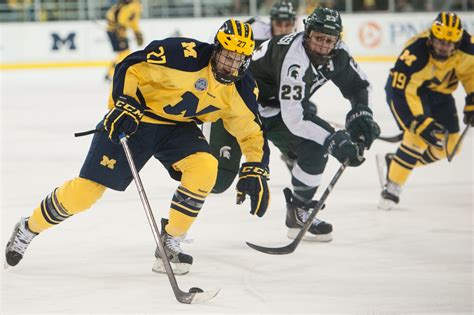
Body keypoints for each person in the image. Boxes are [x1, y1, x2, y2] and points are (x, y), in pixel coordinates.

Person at [5, 19, 270, 276]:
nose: (230, 64)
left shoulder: (242, 89)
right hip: (137, 118)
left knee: (205, 166)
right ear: (216, 48)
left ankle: (170, 241)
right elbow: (131, 66)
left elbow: (251, 131)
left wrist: (256, 166)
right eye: (226, 55)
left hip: (178, 129)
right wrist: (125, 103)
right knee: (85, 193)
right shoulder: (183, 55)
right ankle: (28, 228)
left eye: (238, 59)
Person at [213, 7, 380, 242]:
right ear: (307, 33)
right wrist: (333, 138)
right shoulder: (293, 57)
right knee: (217, 181)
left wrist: (361, 113)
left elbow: (358, 85)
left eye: (329, 40)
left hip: (276, 109)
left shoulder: (339, 53)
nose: (323, 45)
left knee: (314, 147)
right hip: (238, 107)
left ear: (338, 39)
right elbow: (295, 118)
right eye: (318, 38)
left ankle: (299, 212)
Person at [378, 12, 473, 210]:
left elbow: (471, 73)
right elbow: (400, 92)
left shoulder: (468, 48)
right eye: (439, 41)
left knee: (450, 148)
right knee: (417, 138)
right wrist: (418, 122)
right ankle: (393, 186)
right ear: (431, 36)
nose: (443, 47)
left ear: (457, 41)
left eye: (449, 43)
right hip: (408, 94)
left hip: (441, 95)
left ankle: (397, 161)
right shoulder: (415, 54)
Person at [206, 1, 298, 194]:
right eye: (279, 23)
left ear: (294, 24)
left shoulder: (299, 46)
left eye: (287, 24)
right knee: (218, 181)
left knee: (303, 145)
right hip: (239, 105)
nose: (283, 28)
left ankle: (292, 156)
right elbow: (221, 51)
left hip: (269, 108)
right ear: (271, 22)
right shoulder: (253, 30)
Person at [104, 0, 143, 81]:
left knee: (124, 53)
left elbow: (113, 16)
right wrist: (136, 32)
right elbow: (130, 20)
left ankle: (110, 74)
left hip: (116, 31)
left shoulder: (125, 4)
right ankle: (112, 74)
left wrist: (136, 32)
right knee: (124, 53)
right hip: (117, 32)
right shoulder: (134, 5)